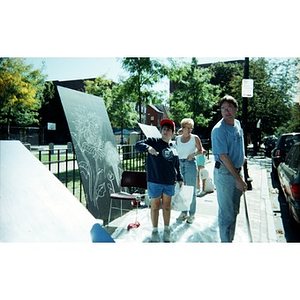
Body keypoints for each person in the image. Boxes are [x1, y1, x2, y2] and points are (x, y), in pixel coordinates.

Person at [135, 119, 183, 242]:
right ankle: (155, 230)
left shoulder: (173, 146)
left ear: (172, 133)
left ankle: (167, 229)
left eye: (168, 130)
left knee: (167, 207)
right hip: (154, 180)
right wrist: (148, 148)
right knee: (155, 206)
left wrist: (180, 178)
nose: (165, 131)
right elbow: (138, 145)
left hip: (169, 181)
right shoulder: (154, 141)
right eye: (164, 129)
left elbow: (176, 164)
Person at [211, 95, 247, 243]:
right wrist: (238, 179)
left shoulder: (237, 124)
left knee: (234, 211)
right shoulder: (218, 130)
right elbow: (224, 157)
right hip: (225, 174)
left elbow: (240, 147)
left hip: (236, 171)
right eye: (223, 109)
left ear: (236, 109)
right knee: (227, 214)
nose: (226, 112)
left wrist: (243, 170)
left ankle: (229, 240)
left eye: (229, 108)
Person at [176, 118, 203, 224]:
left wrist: (193, 155)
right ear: (182, 128)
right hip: (180, 164)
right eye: (187, 128)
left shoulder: (195, 138)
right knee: (182, 190)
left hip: (190, 164)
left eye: (190, 128)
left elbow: (201, 151)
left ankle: (192, 214)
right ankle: (184, 212)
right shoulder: (177, 139)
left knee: (191, 190)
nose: (189, 130)